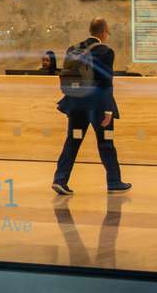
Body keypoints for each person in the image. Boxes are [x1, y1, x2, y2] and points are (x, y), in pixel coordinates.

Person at [51, 18, 131, 195]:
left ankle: (60, 180)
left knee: (73, 140)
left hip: (75, 103)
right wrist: (109, 110)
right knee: (106, 142)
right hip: (98, 106)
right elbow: (106, 82)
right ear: (103, 32)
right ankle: (114, 181)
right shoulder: (105, 51)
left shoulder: (73, 49)